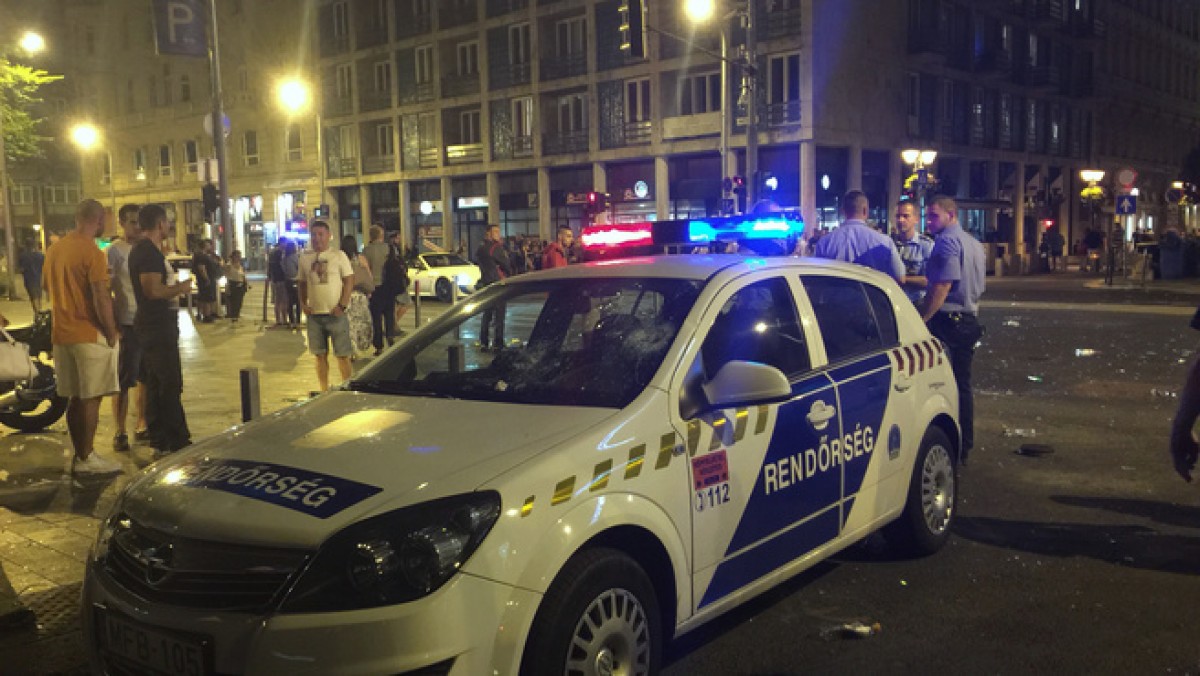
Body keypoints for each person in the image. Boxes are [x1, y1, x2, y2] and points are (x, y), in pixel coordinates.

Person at [43, 199, 122, 474]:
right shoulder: (92, 252)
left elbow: (46, 287)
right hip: (88, 333)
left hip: (61, 333)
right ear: (98, 220)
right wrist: (111, 332)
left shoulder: (55, 250)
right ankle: (87, 458)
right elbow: (101, 296)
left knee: (75, 397)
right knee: (92, 397)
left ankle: (81, 455)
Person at [920, 196, 987, 465]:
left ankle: (950, 443)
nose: (929, 221)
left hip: (948, 321)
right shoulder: (973, 243)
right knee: (962, 384)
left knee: (942, 385)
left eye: (934, 215)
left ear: (951, 215)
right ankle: (965, 444)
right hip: (969, 318)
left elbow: (943, 285)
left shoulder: (946, 241)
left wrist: (923, 318)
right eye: (928, 215)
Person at [129, 204, 194, 456]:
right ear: (159, 224)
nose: (169, 226)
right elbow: (152, 290)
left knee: (156, 383)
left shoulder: (147, 250)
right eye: (167, 222)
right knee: (168, 382)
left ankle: (160, 439)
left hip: (153, 324)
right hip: (156, 325)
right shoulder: (147, 252)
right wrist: (181, 288)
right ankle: (176, 439)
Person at [107, 203, 146, 452]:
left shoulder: (146, 248)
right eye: (132, 222)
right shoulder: (114, 251)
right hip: (127, 321)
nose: (137, 227)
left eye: (139, 222)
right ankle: (120, 430)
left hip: (147, 322)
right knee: (123, 379)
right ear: (121, 223)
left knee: (146, 377)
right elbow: (106, 289)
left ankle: (142, 422)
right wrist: (113, 324)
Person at [298, 221, 355, 390]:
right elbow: (301, 283)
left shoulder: (338, 256)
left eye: (321, 234)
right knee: (319, 355)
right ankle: (323, 388)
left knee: (342, 355)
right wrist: (303, 303)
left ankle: (347, 387)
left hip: (336, 314)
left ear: (329, 236)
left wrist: (342, 305)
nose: (317, 238)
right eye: (314, 235)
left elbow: (349, 280)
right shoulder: (305, 258)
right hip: (314, 315)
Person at [812, 191, 906, 284]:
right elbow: (900, 277)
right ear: (865, 211)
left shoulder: (824, 242)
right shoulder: (884, 242)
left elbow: (816, 278)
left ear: (843, 211)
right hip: (872, 293)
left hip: (835, 293)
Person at [475, 224, 512, 351]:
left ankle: (484, 342)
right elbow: (506, 264)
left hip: (486, 283)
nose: (498, 234)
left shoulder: (480, 248)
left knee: (487, 314)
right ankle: (498, 342)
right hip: (498, 283)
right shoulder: (496, 248)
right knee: (499, 315)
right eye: (495, 231)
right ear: (488, 233)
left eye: (498, 231)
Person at [892, 200, 934, 305]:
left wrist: (904, 279)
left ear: (916, 219)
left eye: (906, 216)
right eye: (898, 216)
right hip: (892, 300)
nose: (901, 220)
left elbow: (930, 280)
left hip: (916, 302)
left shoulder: (926, 245)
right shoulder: (890, 243)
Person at [362, 226, 395, 354]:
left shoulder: (366, 250)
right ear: (381, 235)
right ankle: (390, 335)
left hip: (374, 288)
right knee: (389, 313)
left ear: (371, 236)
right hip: (388, 285)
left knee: (376, 317)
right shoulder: (389, 248)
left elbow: (364, 269)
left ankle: (379, 346)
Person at [342, 234, 374, 355]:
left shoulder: (341, 259)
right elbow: (368, 276)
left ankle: (351, 349)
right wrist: (369, 290)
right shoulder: (361, 259)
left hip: (346, 295)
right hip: (360, 295)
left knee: (349, 324)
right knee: (361, 322)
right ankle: (360, 346)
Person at [389, 231, 412, 328]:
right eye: (398, 238)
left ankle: (393, 324)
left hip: (395, 281)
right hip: (398, 281)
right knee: (406, 303)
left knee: (396, 305)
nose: (400, 240)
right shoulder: (393, 249)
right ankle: (393, 324)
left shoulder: (394, 249)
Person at [193, 239, 218, 322]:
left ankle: (204, 314)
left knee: (203, 297)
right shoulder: (201, 256)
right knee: (207, 298)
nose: (210, 246)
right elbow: (201, 268)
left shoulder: (203, 255)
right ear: (205, 246)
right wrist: (206, 279)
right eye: (209, 245)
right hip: (206, 280)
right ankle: (207, 315)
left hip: (206, 279)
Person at [18, 238, 45, 314]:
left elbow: (22, 269)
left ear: (26, 245)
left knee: (33, 296)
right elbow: (44, 266)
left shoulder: (23, 256)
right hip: (39, 278)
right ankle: (39, 311)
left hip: (29, 279)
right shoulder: (41, 255)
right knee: (39, 296)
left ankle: (37, 313)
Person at [268, 240, 290, 327]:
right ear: (282, 243)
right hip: (281, 279)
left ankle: (278, 320)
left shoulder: (272, 253)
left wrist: (270, 276)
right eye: (285, 243)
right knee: (283, 300)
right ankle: (284, 319)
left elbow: (270, 266)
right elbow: (282, 266)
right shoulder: (280, 253)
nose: (285, 245)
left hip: (275, 279)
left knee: (277, 300)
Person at [224, 250, 248, 322]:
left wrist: (246, 283)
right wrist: (227, 286)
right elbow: (227, 276)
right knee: (233, 301)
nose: (238, 258)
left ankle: (236, 315)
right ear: (233, 257)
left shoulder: (240, 265)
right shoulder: (229, 265)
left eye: (239, 256)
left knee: (239, 301)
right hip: (232, 284)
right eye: (237, 256)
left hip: (241, 285)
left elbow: (243, 275)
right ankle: (233, 316)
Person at [283, 239, 301, 327]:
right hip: (296, 280)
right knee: (298, 301)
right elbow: (299, 267)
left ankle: (291, 321)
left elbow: (283, 269)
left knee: (290, 301)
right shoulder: (295, 257)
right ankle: (298, 321)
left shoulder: (284, 258)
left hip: (287, 281)